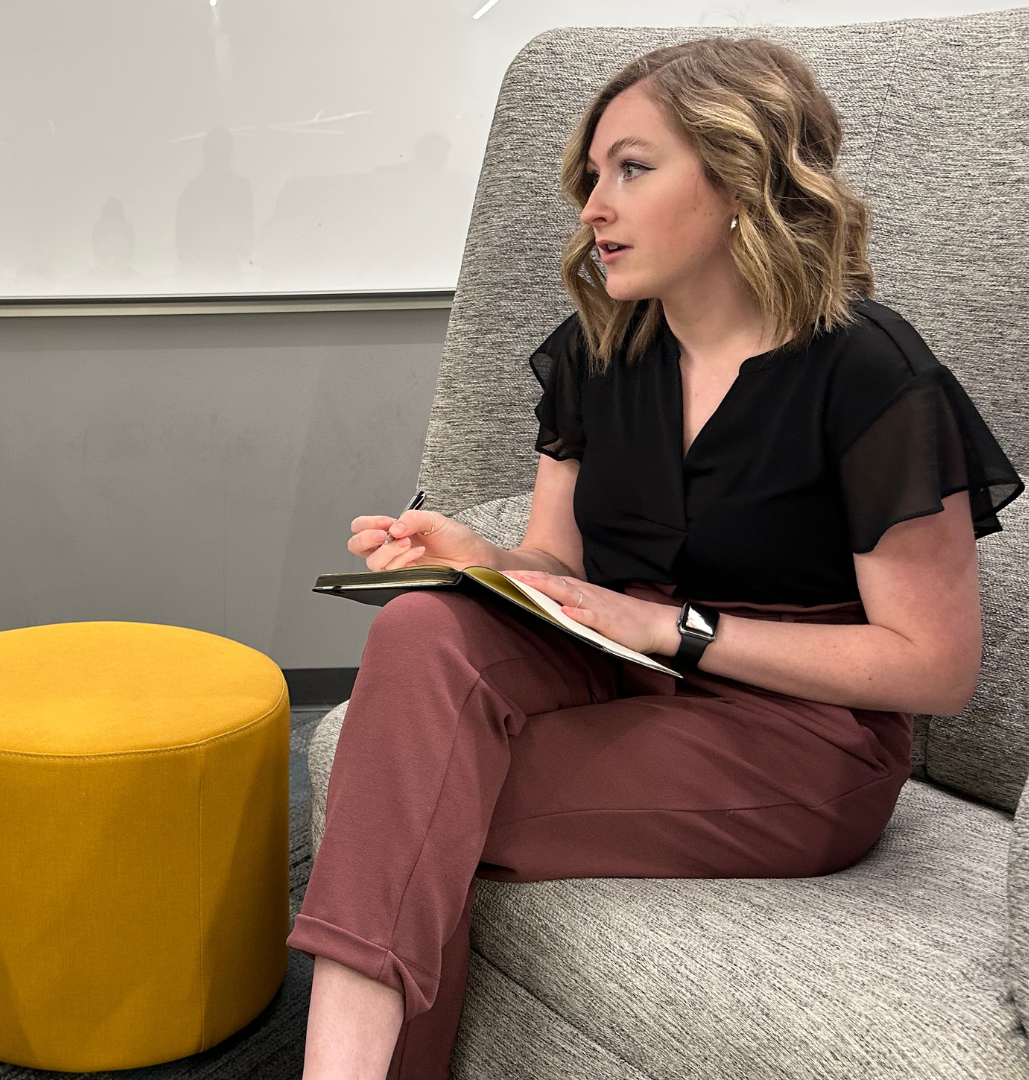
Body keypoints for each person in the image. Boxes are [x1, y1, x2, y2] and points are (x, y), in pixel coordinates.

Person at [288, 37, 1023, 1080]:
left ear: (739, 181)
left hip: (797, 743)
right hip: (616, 670)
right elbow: (554, 559)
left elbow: (935, 666)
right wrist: (476, 554)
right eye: (592, 175)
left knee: (407, 800)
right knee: (421, 625)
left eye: (632, 168)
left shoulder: (868, 369)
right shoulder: (599, 347)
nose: (593, 204)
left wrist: (675, 629)